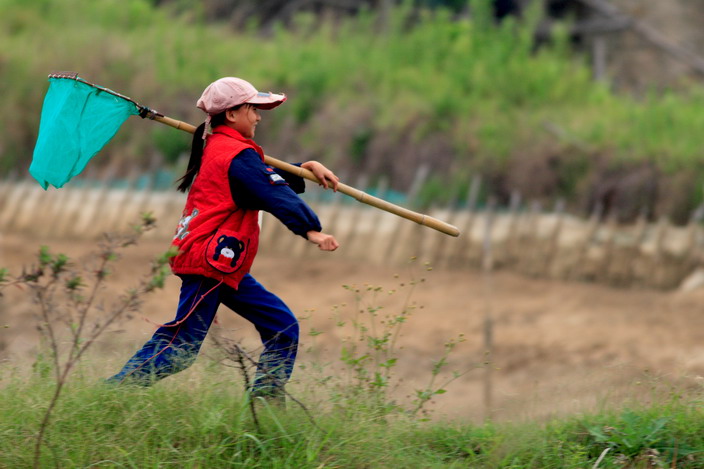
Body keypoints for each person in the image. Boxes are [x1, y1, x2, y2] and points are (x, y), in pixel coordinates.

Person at [106, 77, 340, 401]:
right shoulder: (234, 153)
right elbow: (270, 191)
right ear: (231, 114)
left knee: (282, 327)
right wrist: (311, 229)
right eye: (253, 110)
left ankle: (266, 409)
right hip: (209, 261)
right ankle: (110, 394)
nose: (258, 117)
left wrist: (305, 169)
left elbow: (258, 181)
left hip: (223, 264)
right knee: (182, 346)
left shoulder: (223, 148)